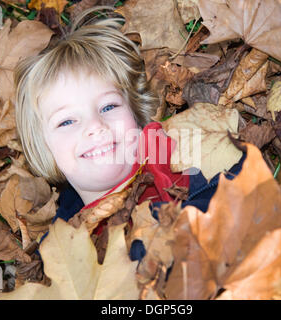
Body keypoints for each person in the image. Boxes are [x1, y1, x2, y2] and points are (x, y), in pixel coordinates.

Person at [13, 6, 245, 262]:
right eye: (67, 121)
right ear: (43, 147)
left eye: (108, 107)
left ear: (135, 115)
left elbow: (236, 182)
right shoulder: (58, 252)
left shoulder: (166, 153)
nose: (95, 125)